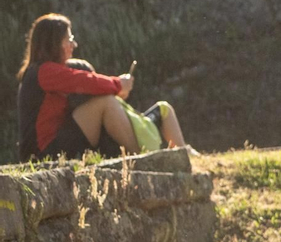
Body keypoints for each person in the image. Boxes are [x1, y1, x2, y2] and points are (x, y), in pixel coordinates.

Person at [13, 13, 176, 162]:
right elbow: (83, 81)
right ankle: (145, 159)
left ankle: (157, 156)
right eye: (69, 39)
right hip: (42, 153)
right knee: (105, 102)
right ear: (54, 43)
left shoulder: (43, 71)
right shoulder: (44, 71)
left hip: (53, 145)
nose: (74, 44)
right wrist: (118, 84)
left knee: (107, 101)